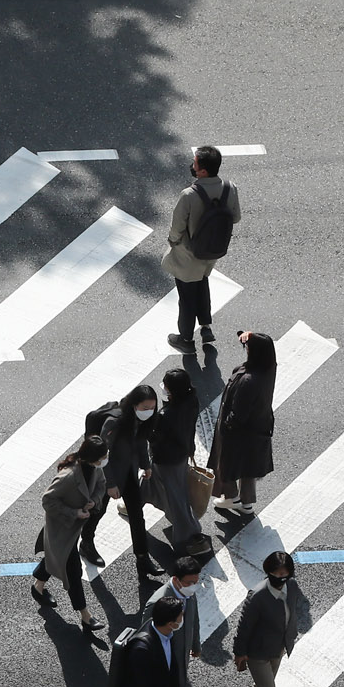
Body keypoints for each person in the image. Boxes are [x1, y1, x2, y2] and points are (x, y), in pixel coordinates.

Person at [162, 145, 239, 355]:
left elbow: (177, 227)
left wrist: (172, 242)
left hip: (189, 254)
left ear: (203, 171)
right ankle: (205, 327)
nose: (192, 166)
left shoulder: (188, 195)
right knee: (202, 283)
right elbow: (236, 217)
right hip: (212, 251)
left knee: (186, 296)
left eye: (195, 164)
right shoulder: (230, 188)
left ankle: (186, 339)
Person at [30, 436, 107, 639]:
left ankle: (38, 586)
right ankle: (85, 615)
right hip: (63, 527)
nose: (106, 459)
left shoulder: (95, 467)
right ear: (93, 457)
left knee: (57, 556)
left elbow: (101, 485)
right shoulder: (68, 476)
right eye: (103, 456)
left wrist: (94, 501)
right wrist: (74, 513)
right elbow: (48, 500)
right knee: (73, 569)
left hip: (74, 528)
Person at [232, 549, 297, 687]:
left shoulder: (292, 587)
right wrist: (240, 653)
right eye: (276, 574)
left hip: (278, 648)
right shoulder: (258, 595)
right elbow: (244, 627)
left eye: (284, 574)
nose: (281, 578)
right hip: (258, 652)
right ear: (268, 572)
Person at [143, 367, 209, 559]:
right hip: (183, 453)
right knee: (157, 482)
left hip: (166, 460)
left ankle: (193, 534)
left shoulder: (165, 415)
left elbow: (155, 438)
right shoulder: (191, 400)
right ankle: (135, 501)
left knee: (176, 496)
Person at [100, 384, 161, 584]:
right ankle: (87, 543)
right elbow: (103, 455)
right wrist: (110, 483)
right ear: (134, 405)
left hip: (129, 475)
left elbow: (141, 442)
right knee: (96, 513)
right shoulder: (115, 422)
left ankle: (142, 559)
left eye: (152, 408)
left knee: (137, 516)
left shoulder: (141, 421)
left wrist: (146, 464)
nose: (148, 412)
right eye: (144, 408)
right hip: (109, 476)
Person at [209, 330, 275, 514]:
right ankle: (246, 503)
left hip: (238, 432)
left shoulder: (248, 381)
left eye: (247, 347)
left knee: (226, 463)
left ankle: (232, 498)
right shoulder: (269, 368)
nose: (245, 348)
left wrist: (227, 425)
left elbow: (238, 414)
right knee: (248, 468)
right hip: (258, 428)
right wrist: (249, 335)